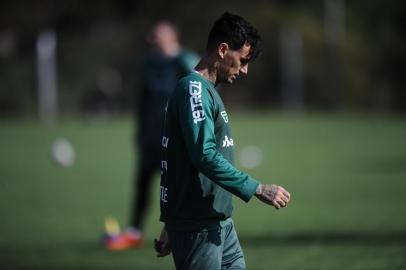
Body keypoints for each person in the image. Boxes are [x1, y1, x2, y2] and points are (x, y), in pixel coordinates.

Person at [154, 12, 291, 269]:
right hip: (198, 228)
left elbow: (182, 159)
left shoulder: (208, 91)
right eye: (242, 60)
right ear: (223, 49)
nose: (245, 70)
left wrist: (170, 223)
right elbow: (203, 155)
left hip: (220, 224)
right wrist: (258, 188)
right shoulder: (194, 91)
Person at [105, 21, 199, 251]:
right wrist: (139, 132)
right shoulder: (148, 63)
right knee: (143, 183)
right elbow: (142, 100)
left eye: (158, 36)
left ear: (172, 37)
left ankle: (182, 231)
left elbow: (200, 92)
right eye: (153, 36)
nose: (153, 40)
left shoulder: (186, 61)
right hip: (151, 135)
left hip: (176, 136)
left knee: (178, 185)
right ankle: (134, 232)